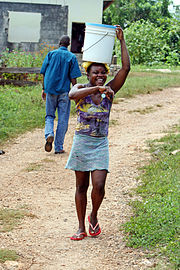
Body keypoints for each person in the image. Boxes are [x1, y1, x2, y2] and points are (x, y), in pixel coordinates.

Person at [65, 25, 130, 240]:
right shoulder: (81, 89)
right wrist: (96, 89)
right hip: (82, 142)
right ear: (88, 74)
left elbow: (125, 69)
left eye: (103, 72)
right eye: (96, 73)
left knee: (99, 186)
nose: (100, 76)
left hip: (100, 144)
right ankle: (81, 227)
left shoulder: (110, 91)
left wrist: (121, 41)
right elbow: (71, 95)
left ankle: (94, 215)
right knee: (81, 186)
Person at [40, 35, 81, 154]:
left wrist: (44, 89)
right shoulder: (71, 57)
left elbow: (43, 72)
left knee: (49, 116)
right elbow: (73, 77)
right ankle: (58, 147)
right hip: (64, 92)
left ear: (59, 43)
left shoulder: (51, 54)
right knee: (63, 118)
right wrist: (75, 92)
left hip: (50, 90)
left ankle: (49, 134)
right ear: (68, 45)